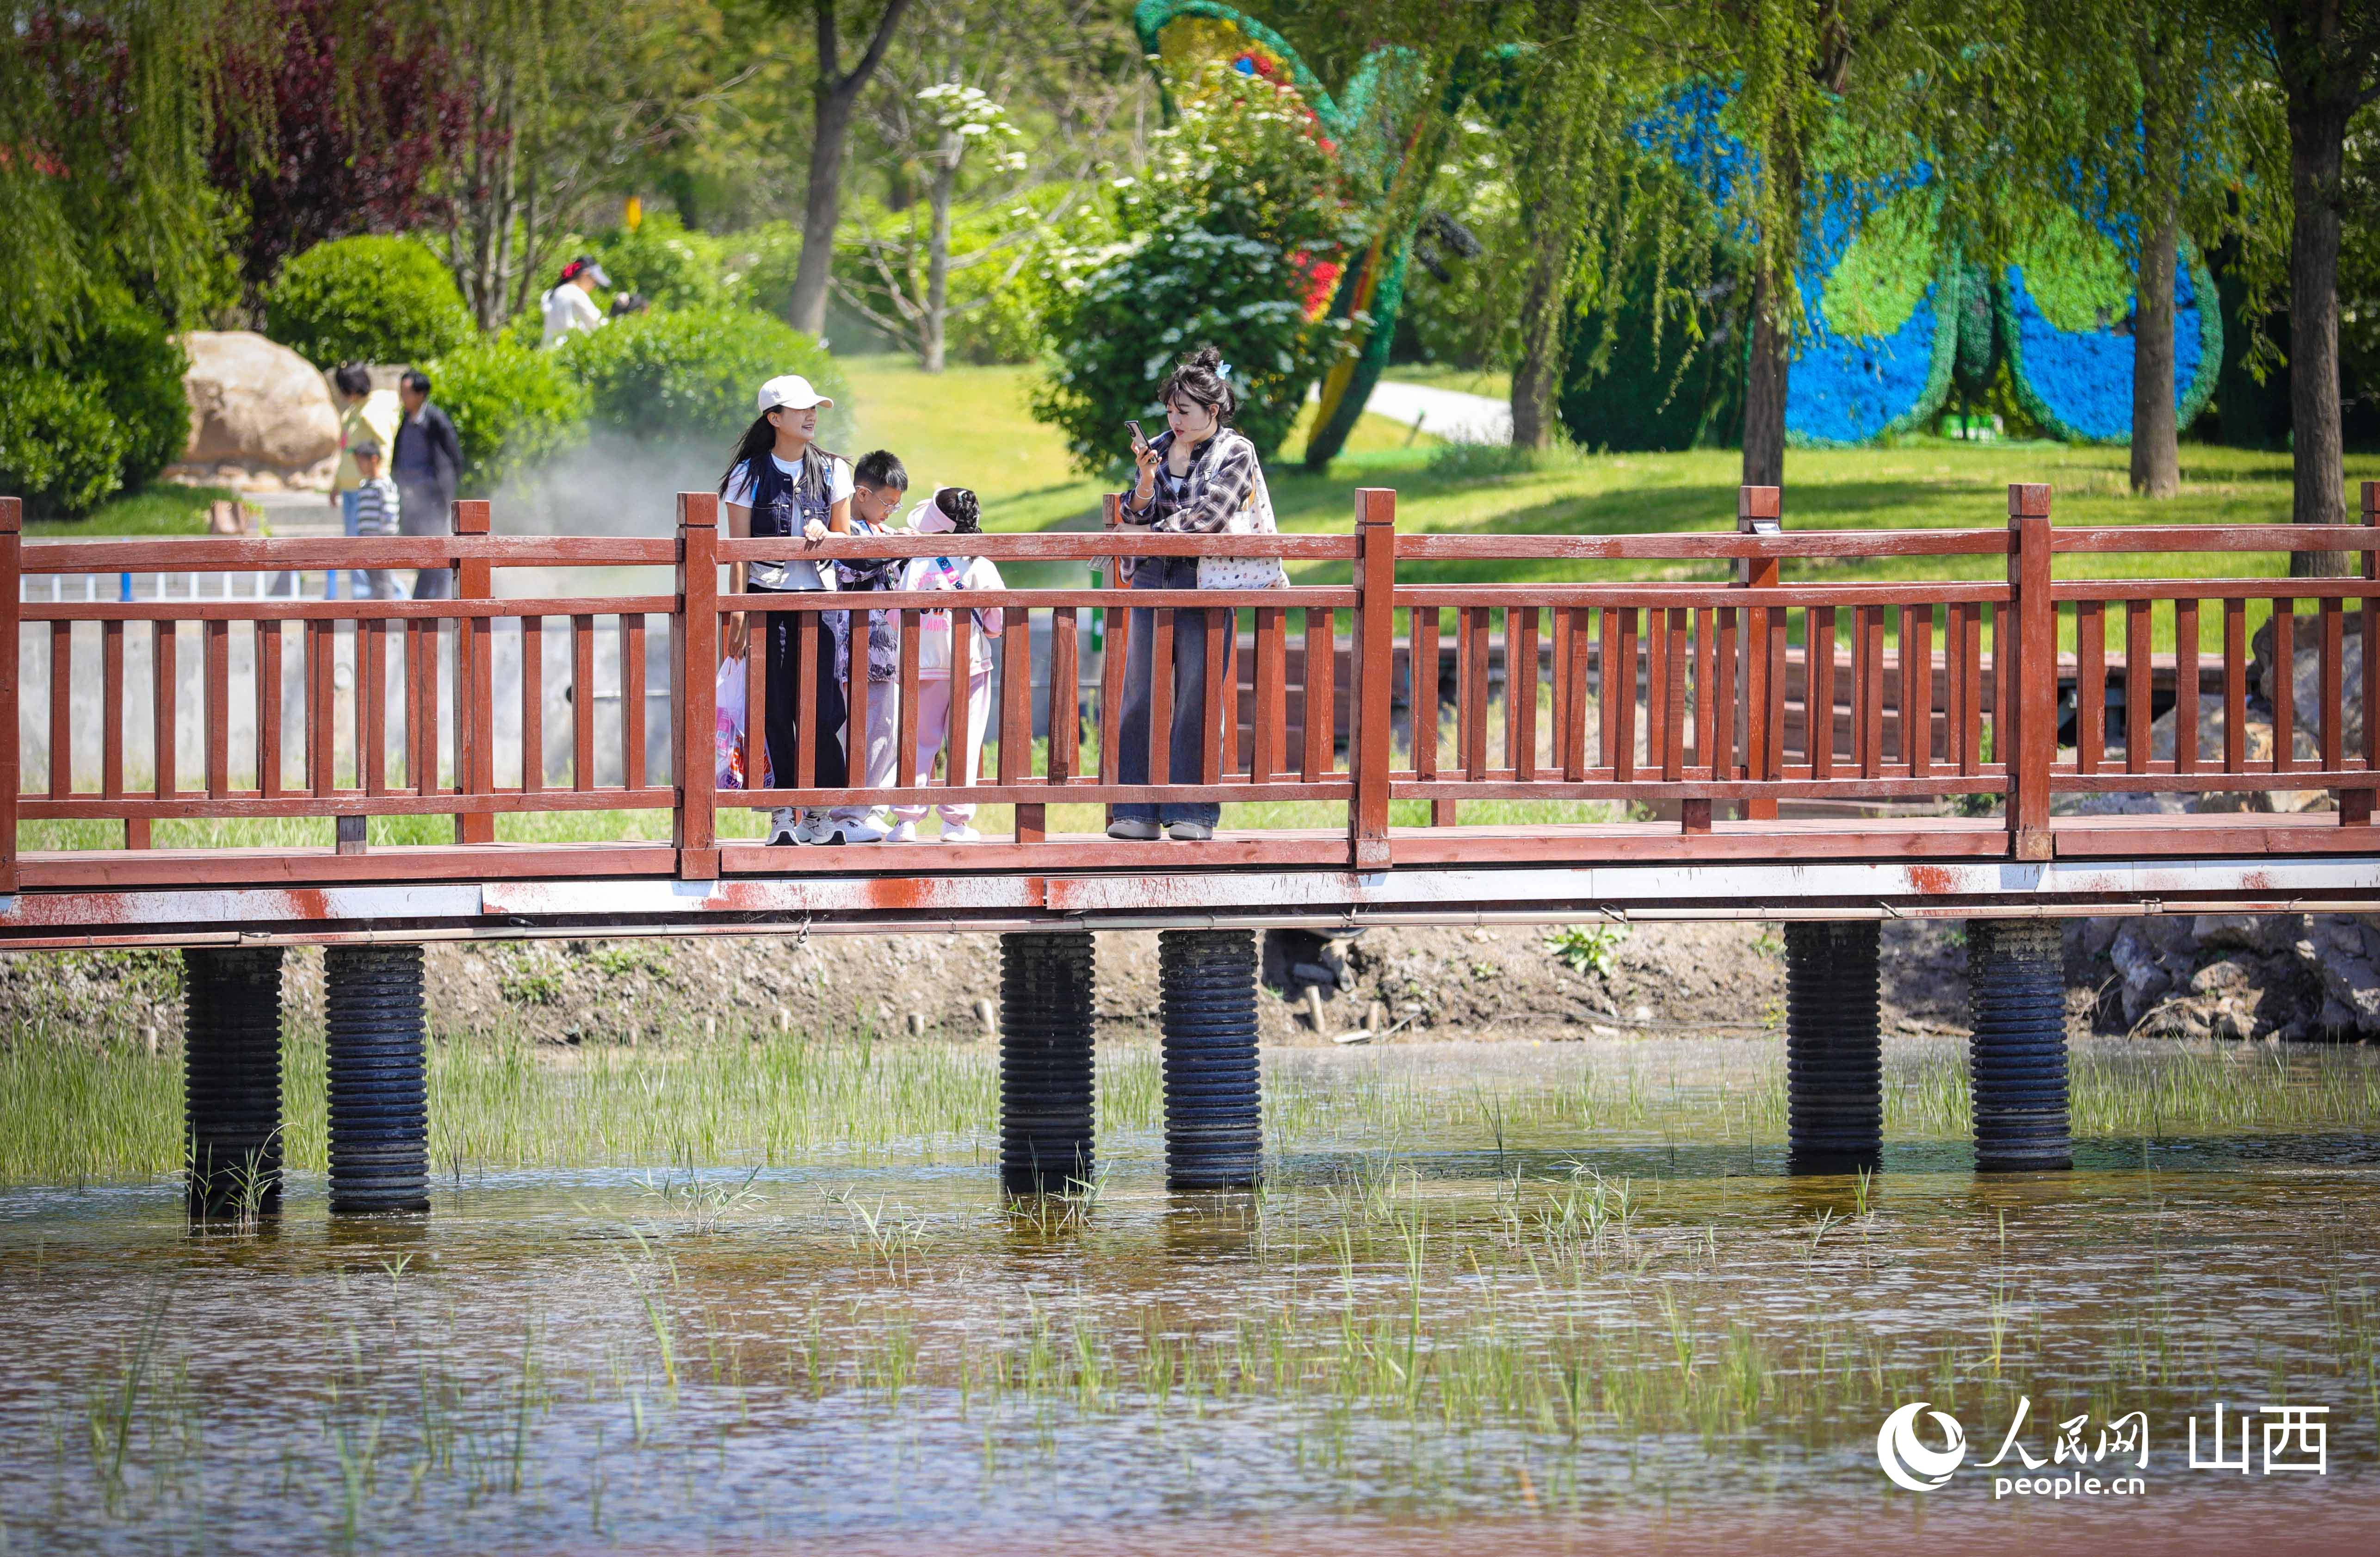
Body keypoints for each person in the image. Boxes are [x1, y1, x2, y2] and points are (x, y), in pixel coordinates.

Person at [1109, 345, 1286, 843]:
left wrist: (1145, 533)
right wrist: (1145, 480)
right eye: (1169, 409)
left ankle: (1194, 810)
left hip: (1205, 579)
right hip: (1152, 576)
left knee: (1197, 693)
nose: (1174, 419)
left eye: (1184, 411)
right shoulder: (1162, 448)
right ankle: (1134, 808)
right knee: (1140, 690)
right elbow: (1135, 514)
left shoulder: (1237, 451)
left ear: (1213, 411)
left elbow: (1211, 518)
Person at [721, 374, 881, 845]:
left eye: (815, 408)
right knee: (774, 706)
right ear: (774, 418)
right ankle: (781, 813)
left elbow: (845, 539)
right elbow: (738, 549)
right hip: (766, 601)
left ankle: (817, 810)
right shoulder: (748, 473)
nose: (812, 416)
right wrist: (736, 613)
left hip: (820, 602)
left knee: (825, 708)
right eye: (800, 409)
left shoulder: (834, 469)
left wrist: (823, 532)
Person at [888, 487, 1001, 844]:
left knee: (919, 743)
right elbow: (995, 623)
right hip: (970, 666)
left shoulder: (917, 564)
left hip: (921, 667)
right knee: (964, 744)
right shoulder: (980, 564)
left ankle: (906, 821)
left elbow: (895, 618)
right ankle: (955, 824)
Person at [831, 450, 914, 839]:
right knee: (859, 729)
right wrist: (895, 550)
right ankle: (846, 813)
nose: (889, 513)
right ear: (861, 494)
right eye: (886, 503)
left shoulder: (881, 534)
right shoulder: (846, 527)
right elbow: (853, 565)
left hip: (881, 647)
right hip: (850, 646)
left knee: (883, 727)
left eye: (896, 506)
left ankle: (864, 807)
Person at [391, 369, 463, 600]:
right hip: (412, 499)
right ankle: (424, 598)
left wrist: (445, 491)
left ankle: (437, 600)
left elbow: (454, 458)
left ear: (420, 394)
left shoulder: (436, 420)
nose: (403, 397)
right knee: (422, 550)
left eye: (406, 392)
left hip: (432, 498)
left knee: (437, 549)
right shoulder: (407, 420)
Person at [329, 363, 399, 600]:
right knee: (354, 548)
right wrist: (336, 483)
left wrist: (380, 477)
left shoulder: (372, 410)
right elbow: (346, 451)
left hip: (366, 490)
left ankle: (390, 597)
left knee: (367, 551)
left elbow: (384, 446)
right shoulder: (353, 412)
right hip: (350, 488)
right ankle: (364, 596)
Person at [346, 441, 404, 601]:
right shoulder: (365, 485)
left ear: (374, 459)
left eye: (361, 461)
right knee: (374, 580)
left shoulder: (384, 485)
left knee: (384, 580)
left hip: (381, 540)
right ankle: (378, 612)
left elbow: (390, 514)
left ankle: (388, 614)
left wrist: (385, 540)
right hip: (367, 538)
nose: (359, 466)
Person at [540, 256, 612, 347]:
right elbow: (597, 325)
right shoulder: (576, 293)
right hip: (566, 354)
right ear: (585, 275)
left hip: (547, 352)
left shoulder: (549, 294)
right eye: (595, 282)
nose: (594, 287)